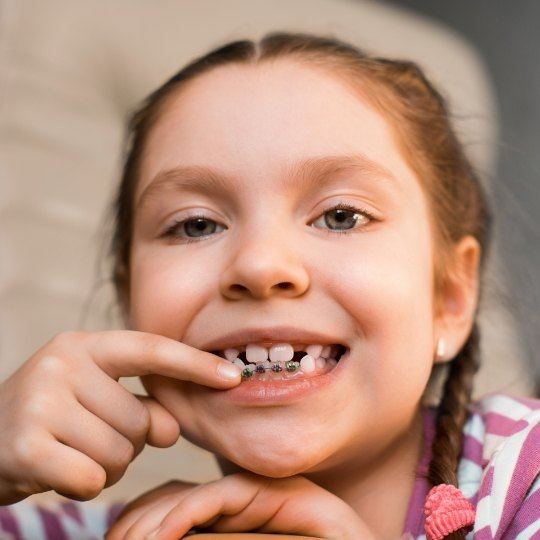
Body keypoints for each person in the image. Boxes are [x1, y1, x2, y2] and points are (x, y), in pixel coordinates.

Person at [0, 31, 539, 540]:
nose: (259, 266)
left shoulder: (527, 470)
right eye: (197, 224)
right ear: (130, 300)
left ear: (449, 296)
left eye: (342, 216)